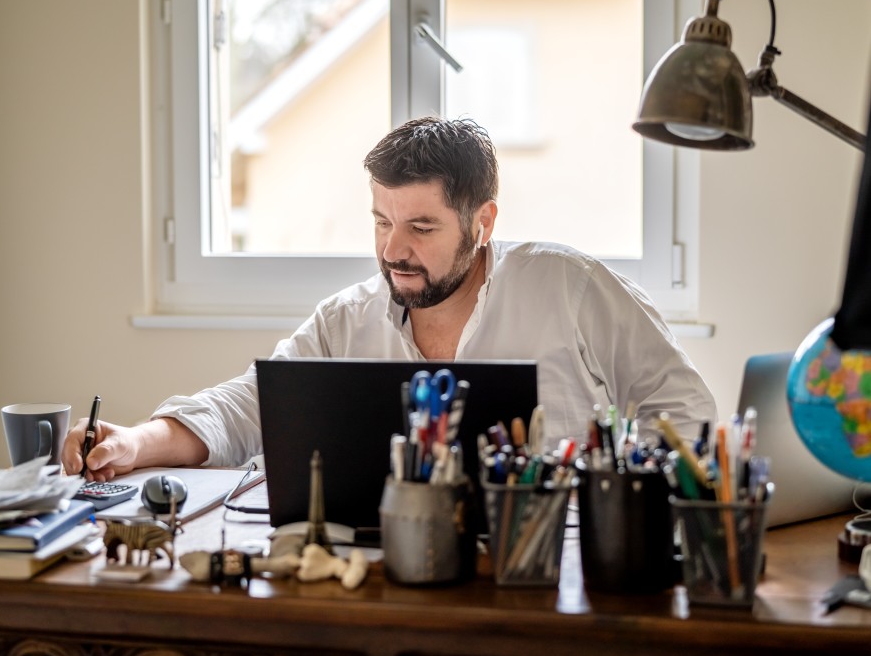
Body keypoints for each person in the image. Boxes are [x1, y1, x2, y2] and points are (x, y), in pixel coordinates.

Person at [62, 117, 717, 480]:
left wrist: (623, 499)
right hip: (385, 576)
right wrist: (137, 442)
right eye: (381, 221)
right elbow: (251, 407)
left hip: (546, 576)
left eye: (421, 227)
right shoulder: (347, 318)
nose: (393, 249)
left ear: (483, 222)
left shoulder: (570, 287)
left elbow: (683, 406)